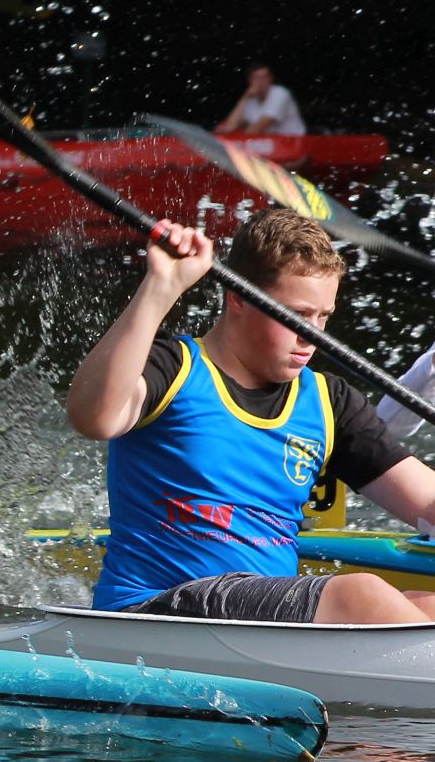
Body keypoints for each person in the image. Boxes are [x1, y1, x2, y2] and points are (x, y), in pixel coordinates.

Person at [68, 206, 435, 622]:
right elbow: (93, 418)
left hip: (261, 624)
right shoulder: (172, 370)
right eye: (295, 315)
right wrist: (160, 289)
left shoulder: (328, 401)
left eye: (322, 317)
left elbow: (426, 501)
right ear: (238, 297)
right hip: (155, 607)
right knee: (361, 594)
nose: (310, 335)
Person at [215, 64, 305, 137]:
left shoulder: (280, 93)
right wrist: (245, 97)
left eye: (264, 77)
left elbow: (259, 126)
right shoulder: (250, 100)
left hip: (293, 143)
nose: (261, 81)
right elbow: (229, 126)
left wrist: (237, 138)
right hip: (268, 145)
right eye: (257, 78)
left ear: (270, 79)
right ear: (250, 80)